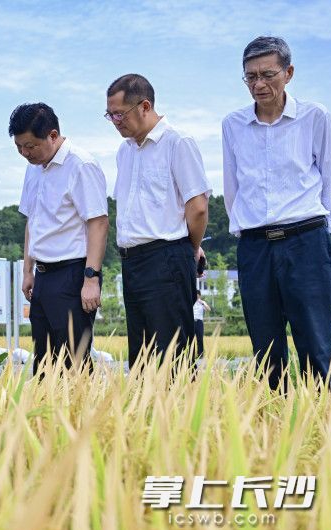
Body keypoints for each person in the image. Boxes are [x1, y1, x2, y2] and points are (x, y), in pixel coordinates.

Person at [222, 36, 331, 391]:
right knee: (265, 348)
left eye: (267, 74)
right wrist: (246, 231)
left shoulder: (314, 116)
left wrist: (323, 230)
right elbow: (232, 187)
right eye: (250, 77)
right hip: (255, 247)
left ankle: (320, 432)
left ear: (288, 73)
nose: (259, 84)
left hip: (306, 240)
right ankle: (272, 435)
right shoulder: (232, 124)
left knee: (315, 346)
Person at [105, 74, 211, 370]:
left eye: (119, 113)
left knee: (172, 355)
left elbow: (198, 207)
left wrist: (191, 249)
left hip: (167, 257)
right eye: (109, 114)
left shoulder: (177, 143)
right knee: (140, 357)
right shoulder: (124, 152)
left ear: (145, 106)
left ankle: (179, 414)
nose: (114, 121)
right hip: (132, 261)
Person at [9, 102, 109, 375]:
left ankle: (80, 415)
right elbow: (33, 220)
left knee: (73, 359)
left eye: (30, 146)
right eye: (19, 147)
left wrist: (91, 278)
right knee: (43, 361)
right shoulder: (34, 167)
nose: (25, 153)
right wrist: (28, 270)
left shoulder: (81, 164)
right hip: (42, 275)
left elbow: (98, 222)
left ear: (53, 135)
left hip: (73, 273)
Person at [193, 291, 211, 357]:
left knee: (200, 338)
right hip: (192, 322)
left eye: (198, 296)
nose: (197, 297)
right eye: (196, 296)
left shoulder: (202, 302)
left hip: (199, 322)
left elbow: (209, 309)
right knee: (191, 339)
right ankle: (191, 354)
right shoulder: (191, 302)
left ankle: (200, 354)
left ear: (200, 296)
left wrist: (202, 304)